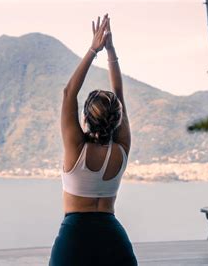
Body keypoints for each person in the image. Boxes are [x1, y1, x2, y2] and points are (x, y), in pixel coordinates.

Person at [49, 14, 137, 266]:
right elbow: (119, 93)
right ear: (118, 117)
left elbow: (68, 94)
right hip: (112, 238)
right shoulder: (121, 150)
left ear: (85, 117)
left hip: (74, 237)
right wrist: (111, 51)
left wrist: (94, 49)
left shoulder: (76, 149)